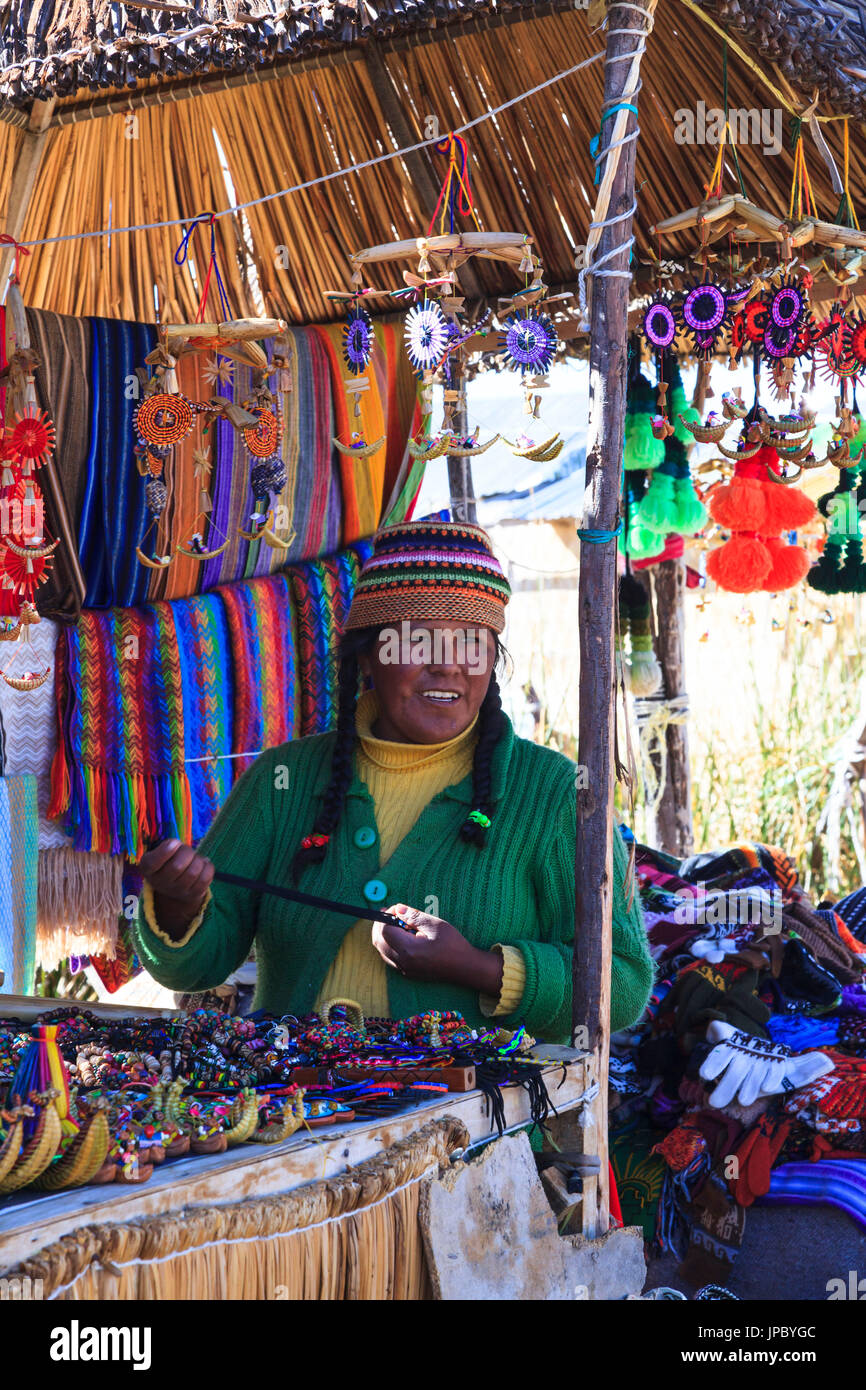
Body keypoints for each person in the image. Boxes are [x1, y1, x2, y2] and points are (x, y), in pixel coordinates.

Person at [134, 520, 653, 1041]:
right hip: (302, 1114)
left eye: (473, 643)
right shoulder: (282, 782)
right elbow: (193, 968)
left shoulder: (554, 794)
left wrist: (479, 967)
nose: (448, 667)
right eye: (416, 642)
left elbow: (624, 983)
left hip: (476, 1118)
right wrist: (179, 907)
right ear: (368, 654)